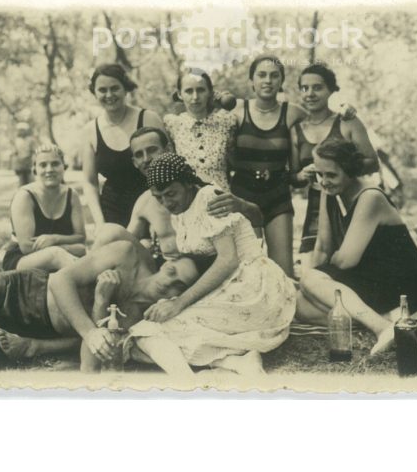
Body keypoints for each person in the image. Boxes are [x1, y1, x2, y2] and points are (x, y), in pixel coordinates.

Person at [123, 153, 296, 378]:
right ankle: (236, 361)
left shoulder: (207, 198)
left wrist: (179, 304)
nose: (166, 203)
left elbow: (227, 261)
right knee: (140, 339)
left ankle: (187, 383)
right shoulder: (181, 210)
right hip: (232, 286)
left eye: (171, 194)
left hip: (253, 288)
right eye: (159, 198)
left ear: (188, 183)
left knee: (148, 333)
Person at [0, 239, 203, 370]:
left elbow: (88, 356)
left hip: (26, 332)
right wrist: (90, 332)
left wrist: (101, 301)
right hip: (15, 293)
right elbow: (60, 280)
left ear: (177, 297)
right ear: (164, 264)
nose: (168, 282)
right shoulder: (125, 255)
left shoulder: (139, 321)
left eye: (178, 286)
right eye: (172, 271)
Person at [297, 140, 417, 355]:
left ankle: (384, 329)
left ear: (350, 171)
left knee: (309, 279)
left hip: (400, 283)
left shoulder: (370, 197)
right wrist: (322, 192)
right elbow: (322, 248)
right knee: (300, 304)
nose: (324, 181)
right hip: (372, 279)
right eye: (319, 175)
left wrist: (315, 279)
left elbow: (345, 261)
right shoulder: (332, 192)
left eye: (331, 175)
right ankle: (383, 317)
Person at [95, 127, 262, 264]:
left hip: (205, 268)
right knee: (110, 232)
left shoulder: (198, 187)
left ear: (168, 149)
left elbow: (255, 222)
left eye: (152, 150)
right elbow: (124, 244)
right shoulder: (145, 201)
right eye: (139, 155)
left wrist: (242, 205)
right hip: (168, 270)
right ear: (134, 163)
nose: (146, 159)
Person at [290, 63, 379, 269]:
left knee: (351, 264)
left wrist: (339, 169)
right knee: (312, 266)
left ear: (331, 90)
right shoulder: (297, 129)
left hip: (352, 201)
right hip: (316, 205)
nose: (310, 93)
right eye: (304, 88)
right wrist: (303, 175)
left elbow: (373, 162)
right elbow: (293, 178)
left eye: (317, 87)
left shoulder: (347, 122)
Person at [230, 55, 306, 277]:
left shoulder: (293, 112)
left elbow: (323, 121)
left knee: (284, 273)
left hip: (277, 195)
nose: (267, 80)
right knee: (246, 270)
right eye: (261, 75)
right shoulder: (235, 111)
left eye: (274, 75)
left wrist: (346, 111)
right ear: (251, 81)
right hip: (242, 195)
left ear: (281, 81)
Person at [82, 64, 165, 229]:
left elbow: (168, 165)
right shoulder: (90, 130)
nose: (109, 95)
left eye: (115, 88)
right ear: (94, 92)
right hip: (112, 211)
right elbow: (89, 182)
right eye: (102, 90)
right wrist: (100, 224)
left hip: (153, 204)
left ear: (125, 89)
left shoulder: (149, 119)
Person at [2, 144, 86, 273]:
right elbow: (26, 247)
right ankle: (90, 279)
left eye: (55, 164)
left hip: (61, 258)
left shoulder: (71, 195)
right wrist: (69, 248)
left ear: (64, 167)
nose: (49, 169)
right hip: (22, 259)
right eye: (43, 165)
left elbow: (80, 237)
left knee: (79, 252)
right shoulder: (25, 196)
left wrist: (55, 239)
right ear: (34, 169)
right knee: (58, 254)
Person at [164, 68, 237, 191]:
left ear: (210, 92)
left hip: (221, 197)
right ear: (179, 94)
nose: (195, 97)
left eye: (201, 90)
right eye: (188, 91)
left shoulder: (226, 121)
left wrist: (220, 98)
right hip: (189, 198)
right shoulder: (172, 124)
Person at [11, 121, 35, 187]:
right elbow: (15, 152)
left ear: (26, 131)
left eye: (23, 130)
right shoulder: (16, 140)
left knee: (30, 180)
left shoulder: (30, 140)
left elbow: (33, 151)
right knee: (21, 181)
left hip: (28, 161)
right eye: (19, 130)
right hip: (19, 162)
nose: (21, 132)